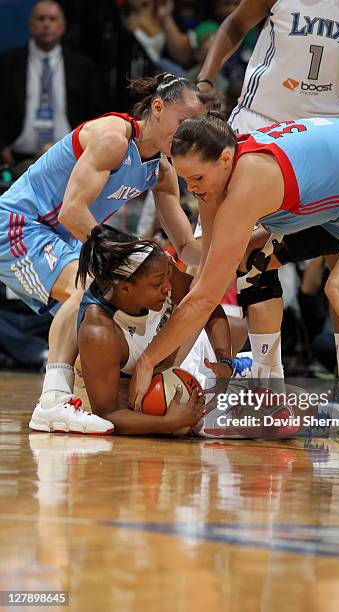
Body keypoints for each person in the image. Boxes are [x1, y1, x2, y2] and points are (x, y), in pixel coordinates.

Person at [129, 113, 339, 457]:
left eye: (197, 178)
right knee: (252, 264)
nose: (192, 188)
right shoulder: (216, 180)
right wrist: (171, 368)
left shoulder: (249, 182)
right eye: (184, 180)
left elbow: (205, 298)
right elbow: (205, 281)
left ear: (225, 159)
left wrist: (148, 361)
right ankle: (270, 394)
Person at [195, 0, 339, 397]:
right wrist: (204, 80)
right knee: (226, 256)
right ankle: (261, 379)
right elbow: (236, 25)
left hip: (330, 135)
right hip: (260, 125)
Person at [0, 72, 204, 434]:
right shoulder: (113, 138)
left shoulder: (160, 171)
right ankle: (52, 399)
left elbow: (189, 247)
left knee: (103, 295)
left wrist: (239, 243)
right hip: (19, 225)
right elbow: (72, 211)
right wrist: (124, 257)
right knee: (87, 293)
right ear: (157, 108)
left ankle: (87, 393)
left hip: (58, 238)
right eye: (183, 123)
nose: (187, 134)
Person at [76, 224, 234, 435]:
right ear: (125, 288)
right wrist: (169, 423)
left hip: (162, 366)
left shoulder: (157, 271)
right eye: (158, 283)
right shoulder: (100, 332)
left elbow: (209, 306)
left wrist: (225, 360)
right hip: (116, 394)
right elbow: (107, 414)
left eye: (167, 275)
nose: (168, 287)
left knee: (237, 327)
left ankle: (239, 365)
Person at [0, 0, 104, 165]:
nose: (47, 24)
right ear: (30, 25)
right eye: (41, 19)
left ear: (63, 26)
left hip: (69, 157)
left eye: (53, 19)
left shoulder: (82, 66)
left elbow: (96, 113)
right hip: (16, 157)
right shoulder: (7, 62)